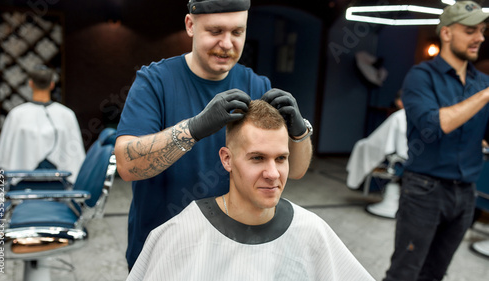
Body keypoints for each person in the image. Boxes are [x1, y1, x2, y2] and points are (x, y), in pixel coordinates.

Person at [114, 0, 313, 270]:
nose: (227, 44)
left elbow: (298, 170)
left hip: (234, 250)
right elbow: (127, 165)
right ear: (190, 25)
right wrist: (195, 128)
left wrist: (299, 132)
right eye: (216, 31)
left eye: (237, 32)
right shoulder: (155, 81)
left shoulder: (257, 84)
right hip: (163, 251)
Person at [126, 100, 373, 281]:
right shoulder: (181, 234)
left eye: (281, 158)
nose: (273, 173)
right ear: (227, 159)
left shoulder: (311, 231)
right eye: (257, 158)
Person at [383, 2, 489, 280]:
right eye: (470, 31)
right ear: (446, 33)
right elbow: (435, 124)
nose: (480, 37)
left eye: (482, 30)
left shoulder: (481, 82)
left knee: (435, 274)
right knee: (404, 273)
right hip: (424, 192)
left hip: (466, 194)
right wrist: (486, 95)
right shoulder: (421, 76)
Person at [0, 65, 85, 183]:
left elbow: (3, 156)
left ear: (30, 84)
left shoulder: (16, 115)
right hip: (59, 182)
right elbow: (77, 156)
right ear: (52, 84)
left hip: (22, 182)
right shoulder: (67, 114)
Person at [346, 89, 407, 219]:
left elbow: (377, 143)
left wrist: (362, 145)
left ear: (399, 101)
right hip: (412, 161)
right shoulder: (418, 115)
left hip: (400, 161)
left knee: (362, 146)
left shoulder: (398, 116)